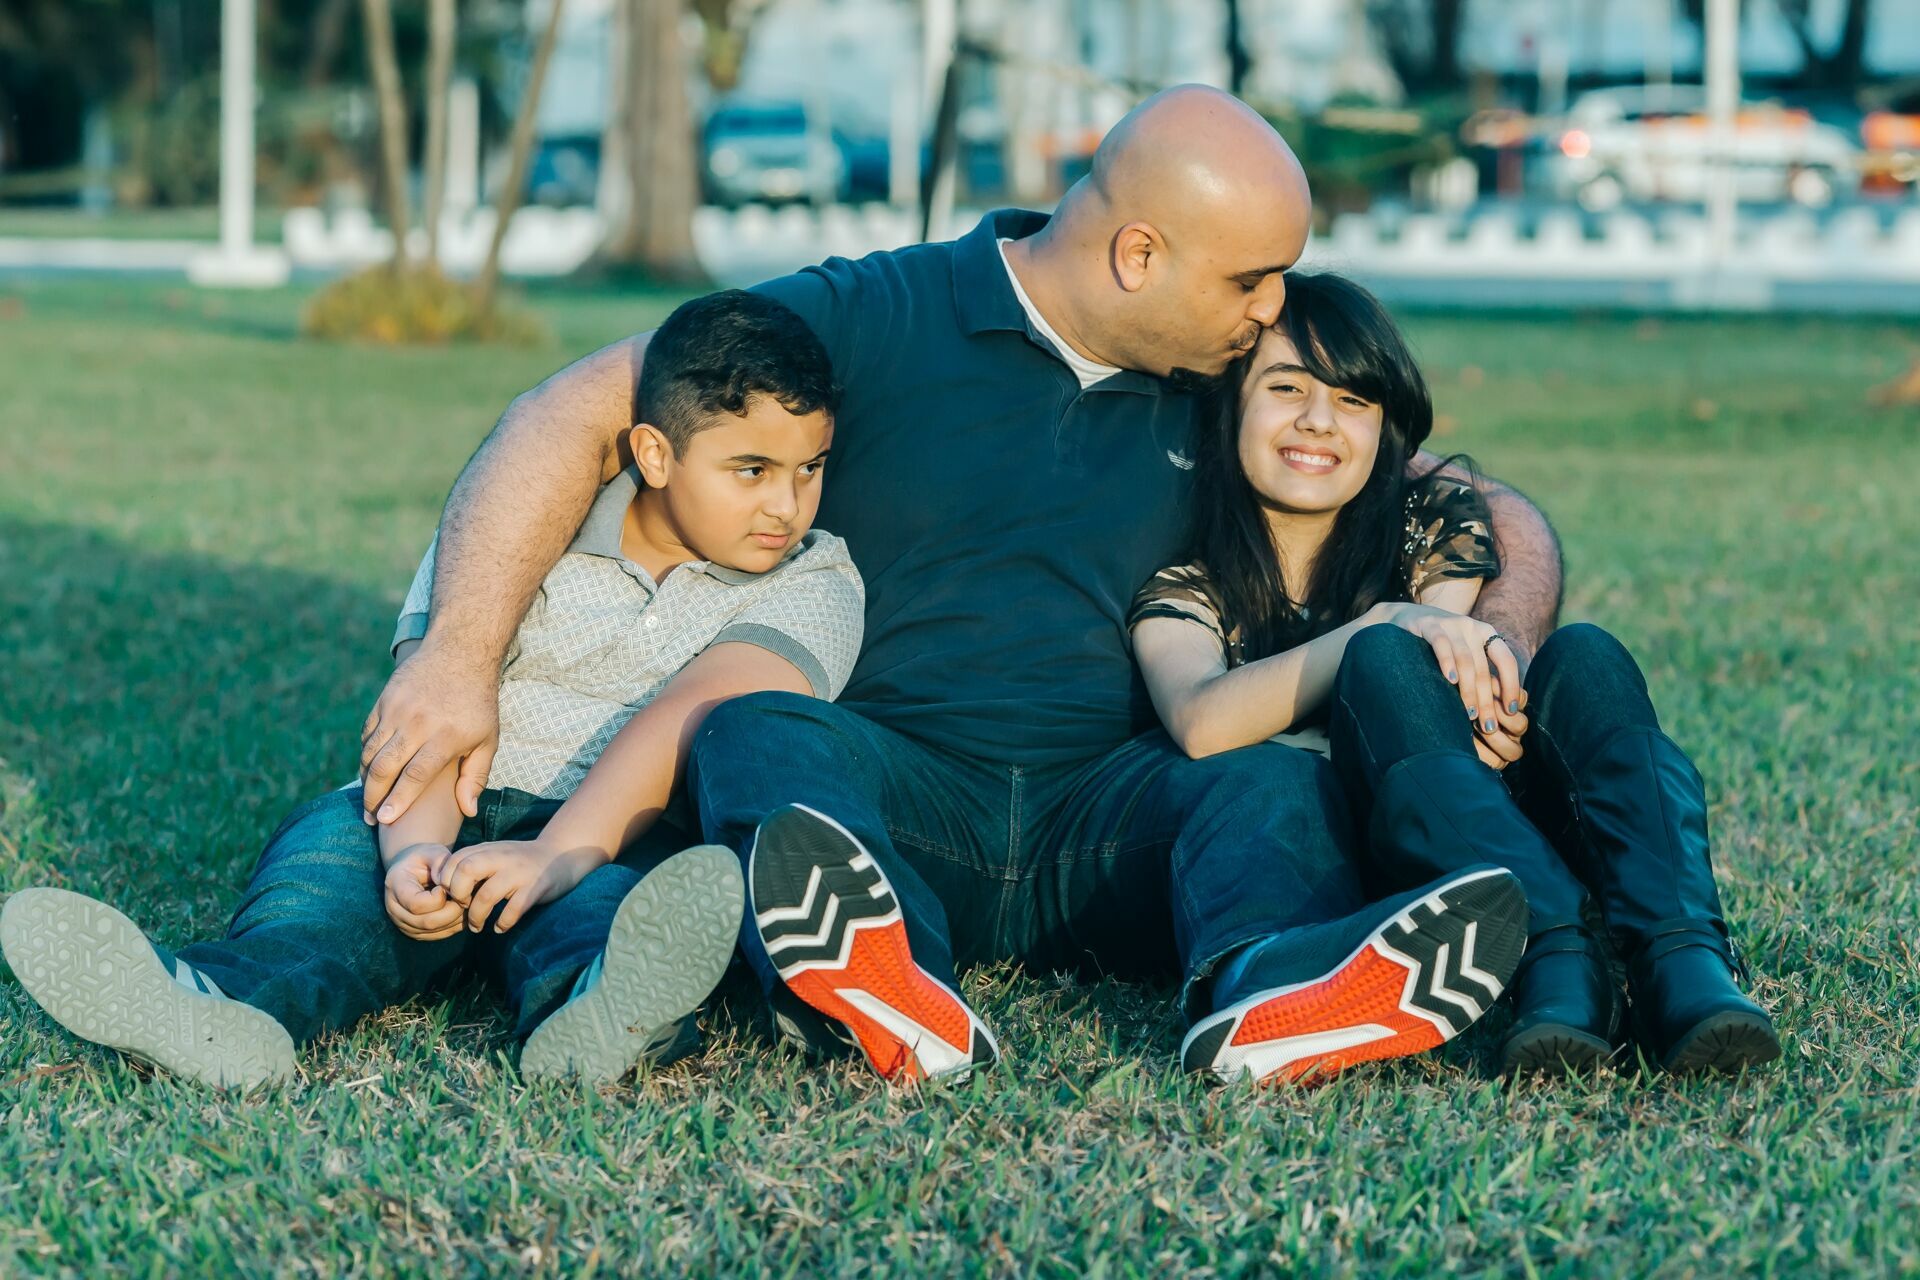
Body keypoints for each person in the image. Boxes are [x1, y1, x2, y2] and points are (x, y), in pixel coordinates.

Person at [351, 87, 1566, 1088]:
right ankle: (887, 982)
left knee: (1256, 776)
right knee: (760, 727)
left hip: (1116, 811)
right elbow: (573, 410)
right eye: (1252, 279)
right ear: (1138, 254)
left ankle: (1269, 994)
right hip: (892, 803)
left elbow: (1491, 508)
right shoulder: (878, 313)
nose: (1272, 311)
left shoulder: (1231, 374)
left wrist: (1489, 650)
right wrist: (458, 654)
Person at [0, 291, 865, 1088]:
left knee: (607, 914)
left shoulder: (815, 579)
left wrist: (554, 858)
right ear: (654, 453)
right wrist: (414, 853)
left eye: (810, 468)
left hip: (610, 832)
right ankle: (221, 1006)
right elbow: (431, 697)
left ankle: (599, 1011)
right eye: (752, 470)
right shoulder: (518, 527)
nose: (787, 507)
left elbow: (690, 718)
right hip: (434, 804)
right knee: (323, 895)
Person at [1128, 271, 1780, 1075]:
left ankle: (1683, 956)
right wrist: (1381, 624)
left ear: (1386, 430)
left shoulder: (1429, 524)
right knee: (1383, 656)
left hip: (1487, 812)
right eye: (1287, 387)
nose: (1318, 421)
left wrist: (1481, 694)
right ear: (1228, 406)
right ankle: (1557, 949)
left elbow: (1456, 675)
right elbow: (1196, 720)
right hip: (1403, 870)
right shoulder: (1189, 587)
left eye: (1354, 401)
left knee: (1588, 656)